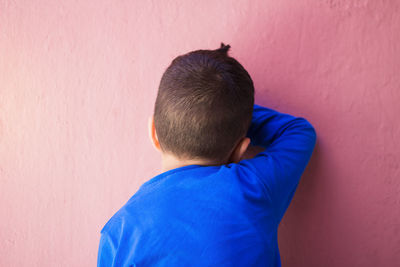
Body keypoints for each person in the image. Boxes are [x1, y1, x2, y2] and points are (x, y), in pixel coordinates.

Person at [97, 43, 317, 267]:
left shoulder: (119, 232)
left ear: (154, 132)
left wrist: (184, 115)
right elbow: (299, 132)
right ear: (240, 150)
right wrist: (230, 117)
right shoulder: (254, 187)